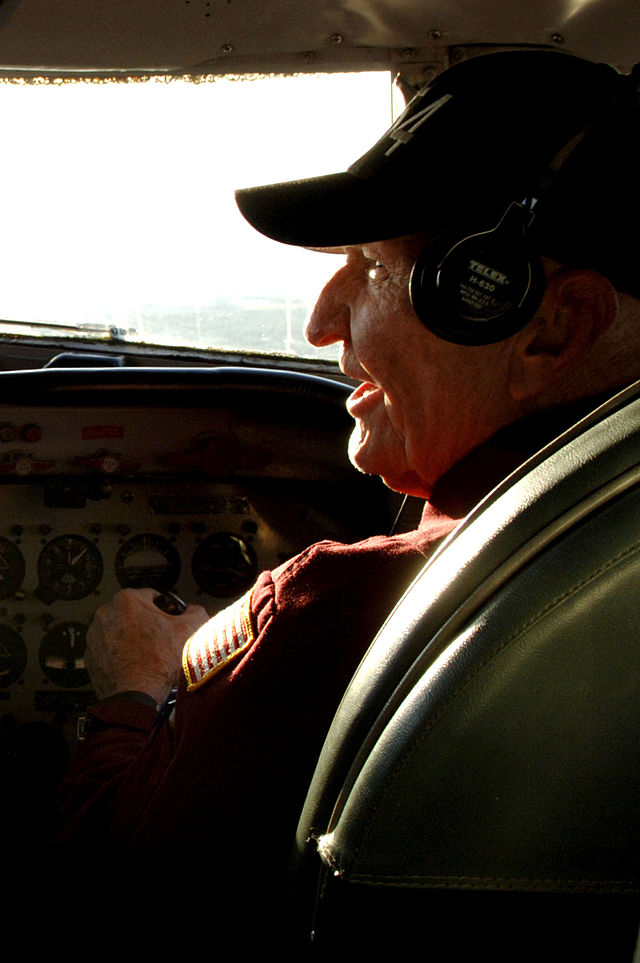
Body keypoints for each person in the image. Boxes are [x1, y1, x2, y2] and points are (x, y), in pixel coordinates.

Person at [55, 48, 640, 943]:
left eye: (369, 266)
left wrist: (134, 690)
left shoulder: (331, 610)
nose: (322, 321)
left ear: (554, 331)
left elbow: (110, 875)